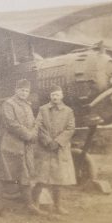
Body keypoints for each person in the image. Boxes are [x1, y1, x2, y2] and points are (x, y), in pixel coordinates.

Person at [0, 79, 45, 216]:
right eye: (21, 90)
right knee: (4, 175)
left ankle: (29, 205)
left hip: (24, 146)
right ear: (16, 90)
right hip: (9, 145)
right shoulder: (8, 104)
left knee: (25, 175)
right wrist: (29, 135)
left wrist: (33, 133)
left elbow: (33, 123)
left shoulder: (27, 105)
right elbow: (11, 124)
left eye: (26, 91)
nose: (24, 93)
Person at [33, 84, 76, 215]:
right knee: (40, 178)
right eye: (53, 95)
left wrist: (57, 142)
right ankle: (35, 204)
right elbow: (38, 126)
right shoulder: (43, 109)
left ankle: (58, 206)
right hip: (44, 149)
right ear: (50, 96)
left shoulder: (68, 111)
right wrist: (47, 141)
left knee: (59, 178)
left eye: (57, 95)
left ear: (62, 96)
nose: (55, 97)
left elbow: (70, 128)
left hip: (59, 149)